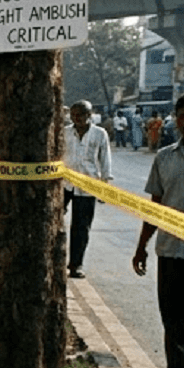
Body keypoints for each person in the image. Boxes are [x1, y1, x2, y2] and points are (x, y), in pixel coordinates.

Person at [132, 91, 184, 368]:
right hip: (171, 250)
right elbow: (154, 205)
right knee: (174, 319)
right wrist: (142, 244)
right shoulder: (165, 158)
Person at [63, 100, 112, 279]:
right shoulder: (64, 133)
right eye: (74, 115)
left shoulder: (100, 134)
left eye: (81, 115)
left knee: (81, 227)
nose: (77, 119)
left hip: (88, 185)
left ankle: (76, 265)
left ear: (89, 116)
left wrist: (104, 186)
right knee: (51, 220)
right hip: (64, 183)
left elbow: (105, 159)